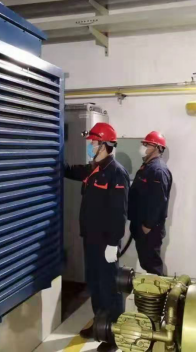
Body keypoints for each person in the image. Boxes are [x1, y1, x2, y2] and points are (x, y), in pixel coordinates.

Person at [65, 122, 129, 352]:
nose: (91, 146)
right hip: (90, 239)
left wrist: (113, 243)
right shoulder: (94, 169)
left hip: (106, 242)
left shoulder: (116, 172)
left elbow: (119, 212)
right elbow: (70, 171)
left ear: (105, 145)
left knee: (110, 287)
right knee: (95, 284)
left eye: (94, 142)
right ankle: (99, 325)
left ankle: (113, 336)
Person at [128, 131, 172, 276]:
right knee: (146, 263)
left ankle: (160, 289)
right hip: (140, 224)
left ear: (157, 148)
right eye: (144, 144)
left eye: (147, 144)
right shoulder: (147, 166)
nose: (144, 147)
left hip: (149, 228)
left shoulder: (158, 170)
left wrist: (148, 225)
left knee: (153, 265)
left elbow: (158, 201)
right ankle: (153, 288)